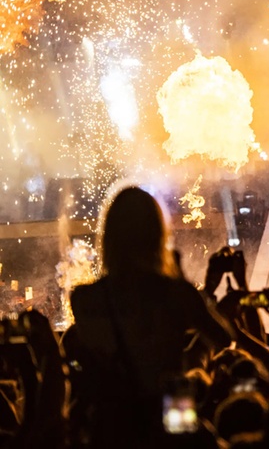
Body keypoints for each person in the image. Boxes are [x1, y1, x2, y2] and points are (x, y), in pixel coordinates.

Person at [70, 186, 233, 447]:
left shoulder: (83, 298)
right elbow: (224, 338)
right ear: (158, 234)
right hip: (171, 417)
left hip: (112, 426)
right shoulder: (175, 293)